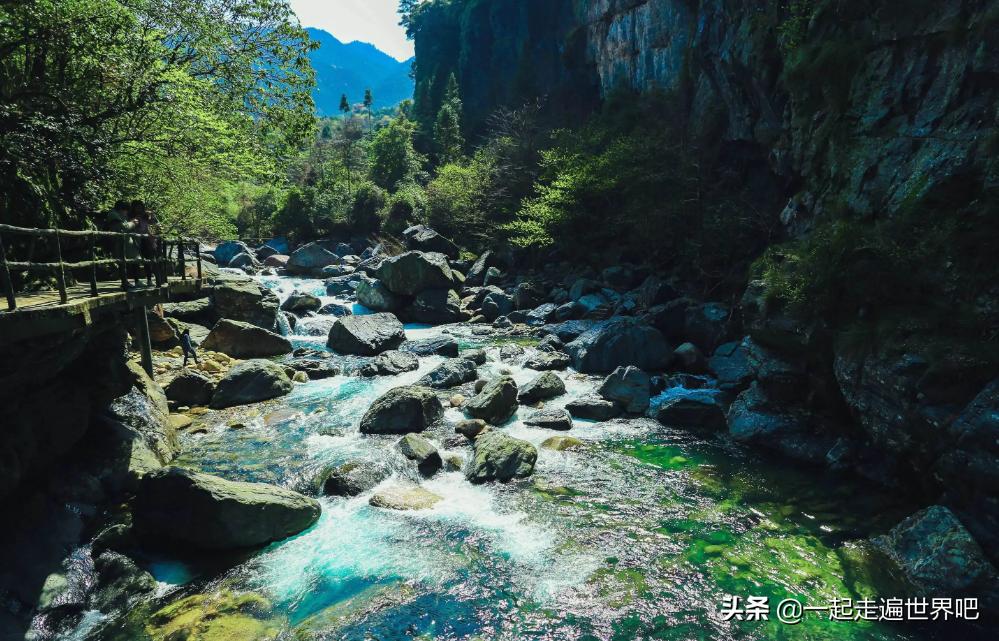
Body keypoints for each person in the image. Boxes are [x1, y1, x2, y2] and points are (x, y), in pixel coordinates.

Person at [131, 200, 157, 285]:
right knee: (136, 261)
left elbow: (153, 222)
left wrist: (152, 215)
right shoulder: (130, 216)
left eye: (140, 207)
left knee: (148, 260)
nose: (138, 209)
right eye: (137, 207)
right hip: (135, 239)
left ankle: (149, 279)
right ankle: (137, 281)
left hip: (146, 239)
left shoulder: (145, 215)